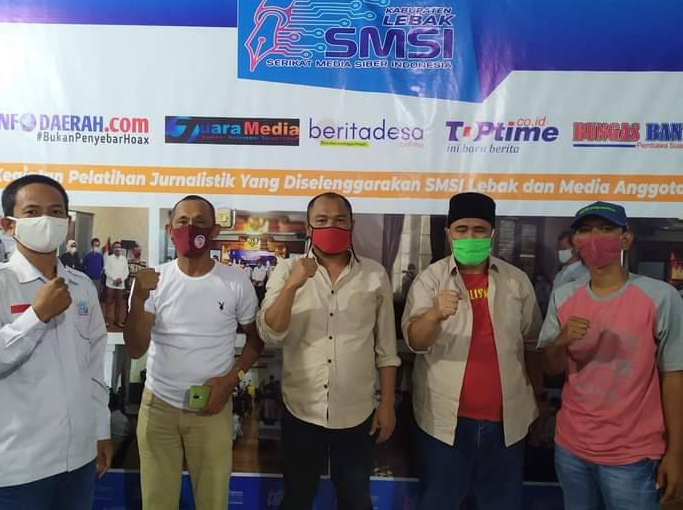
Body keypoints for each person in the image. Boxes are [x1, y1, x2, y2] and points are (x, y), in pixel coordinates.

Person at [0, 174, 111, 509]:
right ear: (8, 225)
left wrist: (101, 429)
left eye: (56, 212)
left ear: (67, 222)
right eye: (32, 212)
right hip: (15, 471)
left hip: (78, 463)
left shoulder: (81, 286)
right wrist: (36, 317)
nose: (46, 220)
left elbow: (92, 367)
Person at [259, 192, 400, 510]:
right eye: (321, 220)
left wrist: (387, 404)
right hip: (302, 410)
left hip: (357, 412)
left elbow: (386, 349)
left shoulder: (374, 275)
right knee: (296, 499)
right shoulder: (287, 269)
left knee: (356, 500)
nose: (331, 227)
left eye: (339, 220)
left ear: (352, 224)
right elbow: (271, 333)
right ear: (309, 227)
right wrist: (293, 285)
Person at [402, 192, 543, 510]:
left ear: (492, 234)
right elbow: (415, 342)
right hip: (444, 423)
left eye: (479, 230)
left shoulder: (516, 281)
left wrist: (539, 399)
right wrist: (434, 314)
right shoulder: (430, 280)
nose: (470, 237)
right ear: (448, 233)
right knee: (439, 503)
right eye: (461, 229)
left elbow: (532, 346)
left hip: (507, 423)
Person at [538, 201, 683, 508]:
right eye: (586, 230)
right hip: (572, 447)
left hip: (633, 454)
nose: (595, 238)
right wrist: (561, 341)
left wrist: (675, 452)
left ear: (625, 238)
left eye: (606, 229)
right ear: (576, 241)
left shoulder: (660, 297)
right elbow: (550, 368)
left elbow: (673, 377)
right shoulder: (564, 296)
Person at [124, 195, 264, 510]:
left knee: (212, 502)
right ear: (169, 229)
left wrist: (231, 380)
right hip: (159, 406)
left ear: (214, 231)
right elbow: (135, 348)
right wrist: (137, 300)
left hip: (212, 408)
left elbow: (256, 341)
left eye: (200, 222)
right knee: (157, 503)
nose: (190, 228)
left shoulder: (235, 282)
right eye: (183, 221)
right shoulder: (154, 281)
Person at [104, 241, 129, 327]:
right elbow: (106, 270)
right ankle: (107, 321)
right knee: (108, 303)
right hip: (110, 284)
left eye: (119, 247)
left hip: (121, 285)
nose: (118, 249)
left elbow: (126, 272)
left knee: (119, 304)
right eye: (116, 247)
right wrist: (115, 279)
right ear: (113, 249)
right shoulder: (109, 258)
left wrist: (121, 279)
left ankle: (117, 321)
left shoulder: (124, 259)